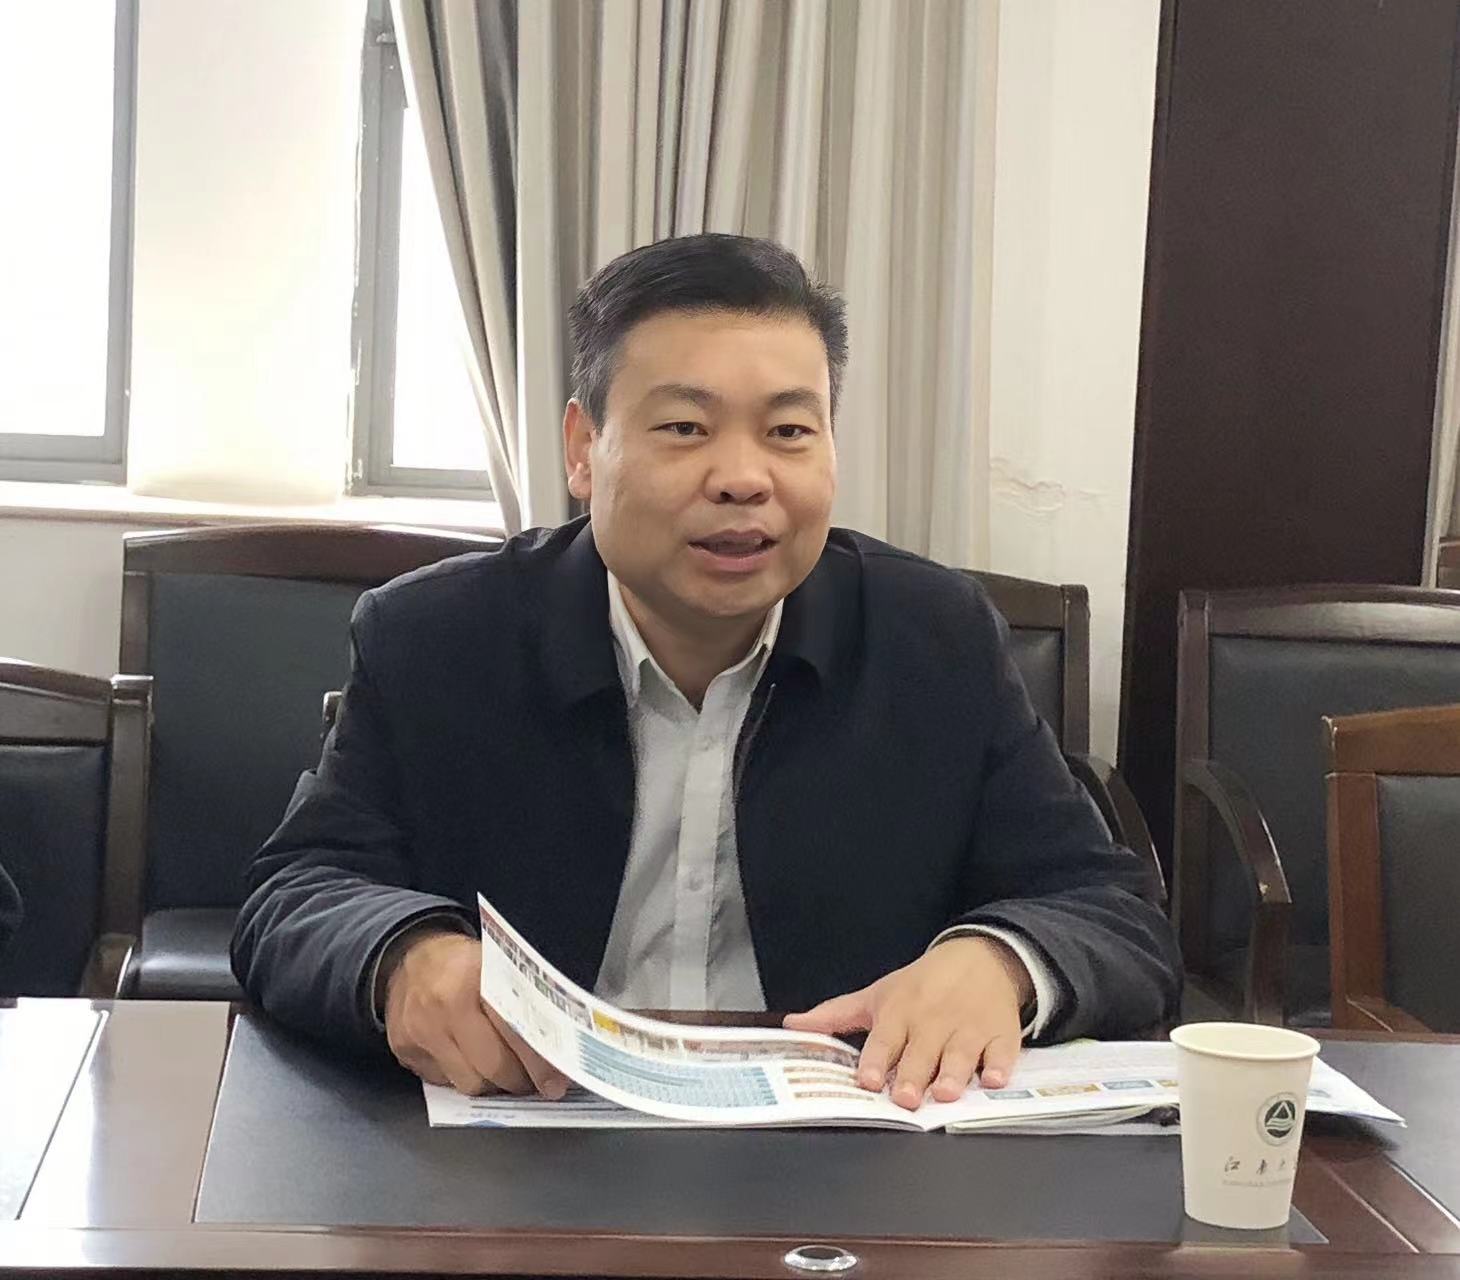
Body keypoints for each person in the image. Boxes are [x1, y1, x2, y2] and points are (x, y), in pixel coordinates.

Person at [232, 234, 1179, 1111]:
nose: (743, 477)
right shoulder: (436, 637)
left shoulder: (934, 640)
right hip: (523, 1138)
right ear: (583, 450)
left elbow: (1110, 911)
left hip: (840, 1157)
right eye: (686, 427)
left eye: (789, 432)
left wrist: (1000, 963)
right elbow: (296, 892)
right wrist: (402, 957)